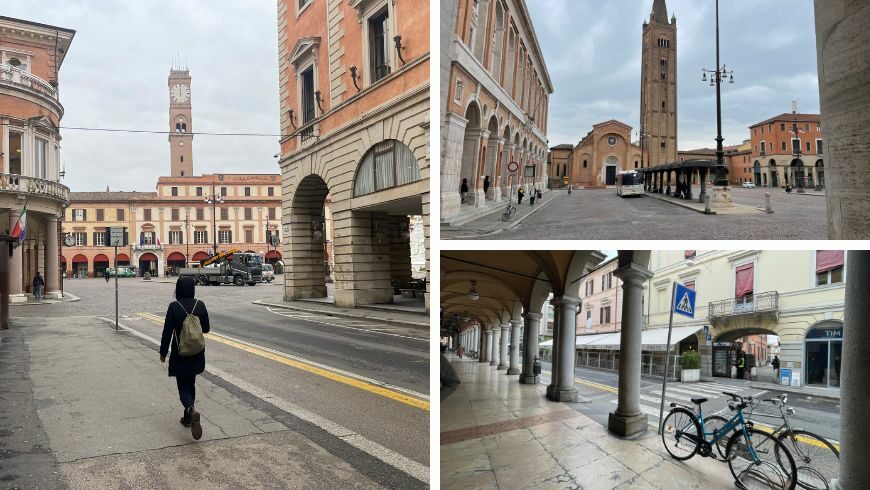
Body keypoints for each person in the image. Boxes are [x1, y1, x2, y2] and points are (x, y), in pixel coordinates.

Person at [160, 276, 211, 440]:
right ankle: (188, 418)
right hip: (196, 352)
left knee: (183, 386)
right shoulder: (200, 304)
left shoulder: (174, 306)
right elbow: (207, 329)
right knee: (191, 382)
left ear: (178, 289)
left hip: (180, 353)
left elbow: (167, 332)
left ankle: (190, 410)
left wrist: (162, 352)